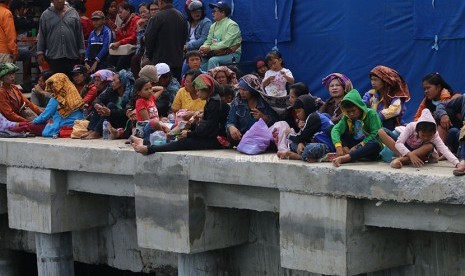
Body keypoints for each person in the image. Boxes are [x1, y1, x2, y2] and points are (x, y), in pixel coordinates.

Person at [131, 74, 229, 155]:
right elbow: (206, 126)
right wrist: (190, 127)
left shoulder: (215, 103)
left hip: (219, 140)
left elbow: (209, 129)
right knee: (177, 135)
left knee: (184, 142)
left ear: (207, 89)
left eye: (199, 90)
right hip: (211, 135)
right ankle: (145, 143)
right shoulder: (211, 100)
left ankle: (149, 149)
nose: (197, 93)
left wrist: (189, 133)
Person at [378, 109, 459, 169]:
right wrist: (410, 154)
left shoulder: (435, 135)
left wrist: (457, 163)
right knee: (381, 131)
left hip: (419, 151)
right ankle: (402, 157)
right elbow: (399, 143)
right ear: (417, 130)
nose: (426, 138)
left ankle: (400, 160)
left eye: (429, 135)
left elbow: (444, 149)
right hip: (403, 149)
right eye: (423, 135)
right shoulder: (411, 126)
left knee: (430, 146)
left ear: (434, 132)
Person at [331, 89, 383, 167]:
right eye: (348, 111)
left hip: (367, 146)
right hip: (354, 144)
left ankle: (346, 158)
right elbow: (336, 130)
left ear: (359, 107)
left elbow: (376, 134)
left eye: (353, 110)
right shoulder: (346, 117)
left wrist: (358, 146)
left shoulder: (371, 114)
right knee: (331, 128)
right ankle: (347, 152)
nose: (351, 114)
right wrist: (338, 146)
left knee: (375, 144)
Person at [277, 95, 335, 162]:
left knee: (309, 149)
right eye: (296, 112)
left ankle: (299, 156)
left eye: (299, 111)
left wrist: (289, 134)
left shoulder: (313, 117)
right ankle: (308, 157)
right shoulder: (310, 117)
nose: (297, 115)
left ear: (306, 109)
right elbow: (305, 137)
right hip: (316, 142)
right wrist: (300, 143)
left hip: (327, 147)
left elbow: (301, 137)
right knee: (293, 144)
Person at [226, 74, 278, 145]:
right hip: (243, 136)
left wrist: (264, 117)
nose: (241, 92)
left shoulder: (264, 102)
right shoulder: (237, 102)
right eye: (240, 89)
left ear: (252, 90)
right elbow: (230, 121)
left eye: (244, 89)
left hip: (261, 136)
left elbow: (276, 121)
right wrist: (231, 127)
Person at [36, 0, 85, 75]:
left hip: (72, 55)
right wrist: (40, 53)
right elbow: (42, 35)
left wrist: (81, 50)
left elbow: (79, 33)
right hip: (54, 56)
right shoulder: (46, 15)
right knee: (57, 83)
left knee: (72, 83)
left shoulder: (73, 13)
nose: (59, 1)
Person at [82, 69, 134, 139]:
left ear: (122, 82)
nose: (112, 82)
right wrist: (97, 105)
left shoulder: (131, 94)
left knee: (110, 105)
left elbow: (128, 111)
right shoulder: (112, 90)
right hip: (111, 120)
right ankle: (92, 130)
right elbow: (98, 100)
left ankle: (97, 132)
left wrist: (110, 112)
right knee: (101, 106)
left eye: (114, 80)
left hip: (124, 121)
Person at [144, 0, 187, 81]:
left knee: (161, 89)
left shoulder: (157, 17)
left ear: (160, 2)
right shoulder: (181, 16)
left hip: (160, 63)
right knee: (175, 87)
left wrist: (149, 55)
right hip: (177, 60)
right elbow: (185, 37)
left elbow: (149, 39)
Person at [31, 73, 84, 137]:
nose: (52, 87)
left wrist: (33, 122)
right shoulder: (74, 95)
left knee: (44, 132)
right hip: (78, 124)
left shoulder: (57, 98)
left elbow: (45, 115)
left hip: (64, 125)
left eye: (53, 85)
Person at [413, 72, 461, 142]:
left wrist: (442, 115)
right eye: (424, 89)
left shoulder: (455, 97)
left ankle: (438, 150)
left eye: (428, 88)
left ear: (438, 87)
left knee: (447, 114)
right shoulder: (426, 102)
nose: (426, 91)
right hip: (429, 135)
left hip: (454, 132)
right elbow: (417, 118)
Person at [362, 65, 410, 130]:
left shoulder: (395, 96)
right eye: (372, 80)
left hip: (391, 128)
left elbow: (395, 110)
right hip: (373, 126)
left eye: (375, 80)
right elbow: (362, 106)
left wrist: (377, 117)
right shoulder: (370, 94)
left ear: (385, 80)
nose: (373, 83)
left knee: (389, 120)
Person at [199, 1, 241, 71]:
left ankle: (212, 81)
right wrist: (202, 48)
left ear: (222, 12)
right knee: (200, 58)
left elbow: (226, 43)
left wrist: (209, 48)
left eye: (214, 11)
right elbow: (208, 41)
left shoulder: (232, 25)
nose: (212, 13)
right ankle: (203, 80)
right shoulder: (213, 26)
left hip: (232, 54)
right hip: (216, 53)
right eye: (212, 11)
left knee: (213, 60)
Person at [181, 0, 212, 76]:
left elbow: (203, 39)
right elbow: (184, 37)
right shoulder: (188, 22)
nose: (197, 13)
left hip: (199, 51)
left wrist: (187, 46)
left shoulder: (206, 22)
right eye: (193, 12)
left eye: (199, 11)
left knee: (185, 67)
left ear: (202, 11)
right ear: (189, 13)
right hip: (187, 51)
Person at [108, 2, 140, 71]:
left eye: (121, 12)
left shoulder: (136, 19)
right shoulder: (123, 24)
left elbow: (134, 36)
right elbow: (121, 38)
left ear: (128, 10)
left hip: (135, 49)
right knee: (110, 57)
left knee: (122, 60)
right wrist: (117, 32)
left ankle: (118, 77)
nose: (119, 15)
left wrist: (119, 42)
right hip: (126, 49)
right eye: (118, 13)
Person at [130, 3, 150, 78]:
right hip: (143, 51)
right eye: (141, 12)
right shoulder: (142, 24)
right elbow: (139, 45)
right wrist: (139, 27)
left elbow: (145, 41)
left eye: (144, 11)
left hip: (150, 52)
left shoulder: (152, 23)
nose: (142, 14)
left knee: (135, 59)